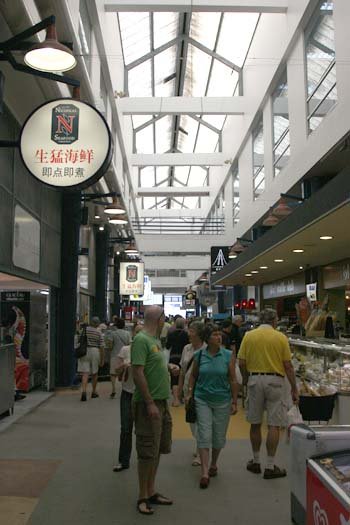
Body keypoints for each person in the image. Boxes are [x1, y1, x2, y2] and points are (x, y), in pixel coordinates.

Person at [238, 308, 299, 479]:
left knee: (255, 422)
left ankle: (256, 462)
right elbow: (288, 365)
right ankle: (270, 466)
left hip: (255, 379)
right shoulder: (280, 337)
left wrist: (245, 378)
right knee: (274, 424)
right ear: (274, 321)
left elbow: (241, 362)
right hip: (275, 381)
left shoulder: (249, 336)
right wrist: (294, 388)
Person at [131, 305, 174, 515]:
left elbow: (151, 367)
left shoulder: (156, 341)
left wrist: (168, 368)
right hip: (149, 404)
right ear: (159, 319)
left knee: (157, 449)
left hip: (162, 402)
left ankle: (151, 490)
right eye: (164, 318)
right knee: (147, 451)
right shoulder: (141, 340)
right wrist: (148, 402)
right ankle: (142, 496)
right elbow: (137, 372)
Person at [187, 323, 238, 489]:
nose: (219, 337)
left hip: (223, 400)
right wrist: (189, 392)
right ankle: (204, 472)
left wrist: (235, 401)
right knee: (204, 433)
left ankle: (214, 463)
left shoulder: (228, 355)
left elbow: (232, 379)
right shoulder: (199, 355)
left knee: (218, 435)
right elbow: (193, 376)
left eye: (219, 334)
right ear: (207, 339)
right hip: (202, 399)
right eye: (215, 334)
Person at [113, 324, 143, 472]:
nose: (138, 335)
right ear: (132, 334)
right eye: (136, 332)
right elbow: (117, 372)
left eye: (141, 332)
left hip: (143, 395)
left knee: (142, 430)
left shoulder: (148, 350)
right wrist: (124, 366)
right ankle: (123, 460)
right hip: (127, 393)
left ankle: (144, 460)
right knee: (126, 428)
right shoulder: (125, 350)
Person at [178, 321, 206, 467]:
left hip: (203, 391)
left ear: (200, 334)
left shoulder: (208, 349)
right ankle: (200, 443)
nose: (189, 333)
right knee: (192, 422)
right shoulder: (186, 349)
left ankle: (201, 453)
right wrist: (179, 392)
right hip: (188, 391)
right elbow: (183, 371)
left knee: (201, 422)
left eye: (192, 331)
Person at [77, 316, 104, 402]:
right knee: (95, 373)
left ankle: (84, 392)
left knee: (85, 373)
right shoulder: (99, 333)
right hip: (95, 351)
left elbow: (78, 340)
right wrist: (102, 359)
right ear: (98, 324)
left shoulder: (84, 330)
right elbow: (102, 347)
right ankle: (93, 392)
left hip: (84, 351)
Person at [166, 317, 189, 406]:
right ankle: (181, 396)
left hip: (173, 357)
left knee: (174, 378)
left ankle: (175, 399)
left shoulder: (171, 334)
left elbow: (168, 346)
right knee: (182, 376)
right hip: (183, 357)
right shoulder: (186, 334)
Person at [109, 317, 131, 399]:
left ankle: (113, 389)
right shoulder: (128, 333)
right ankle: (124, 388)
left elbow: (110, 345)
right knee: (124, 372)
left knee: (113, 373)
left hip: (115, 355)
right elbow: (129, 344)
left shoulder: (113, 334)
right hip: (125, 355)